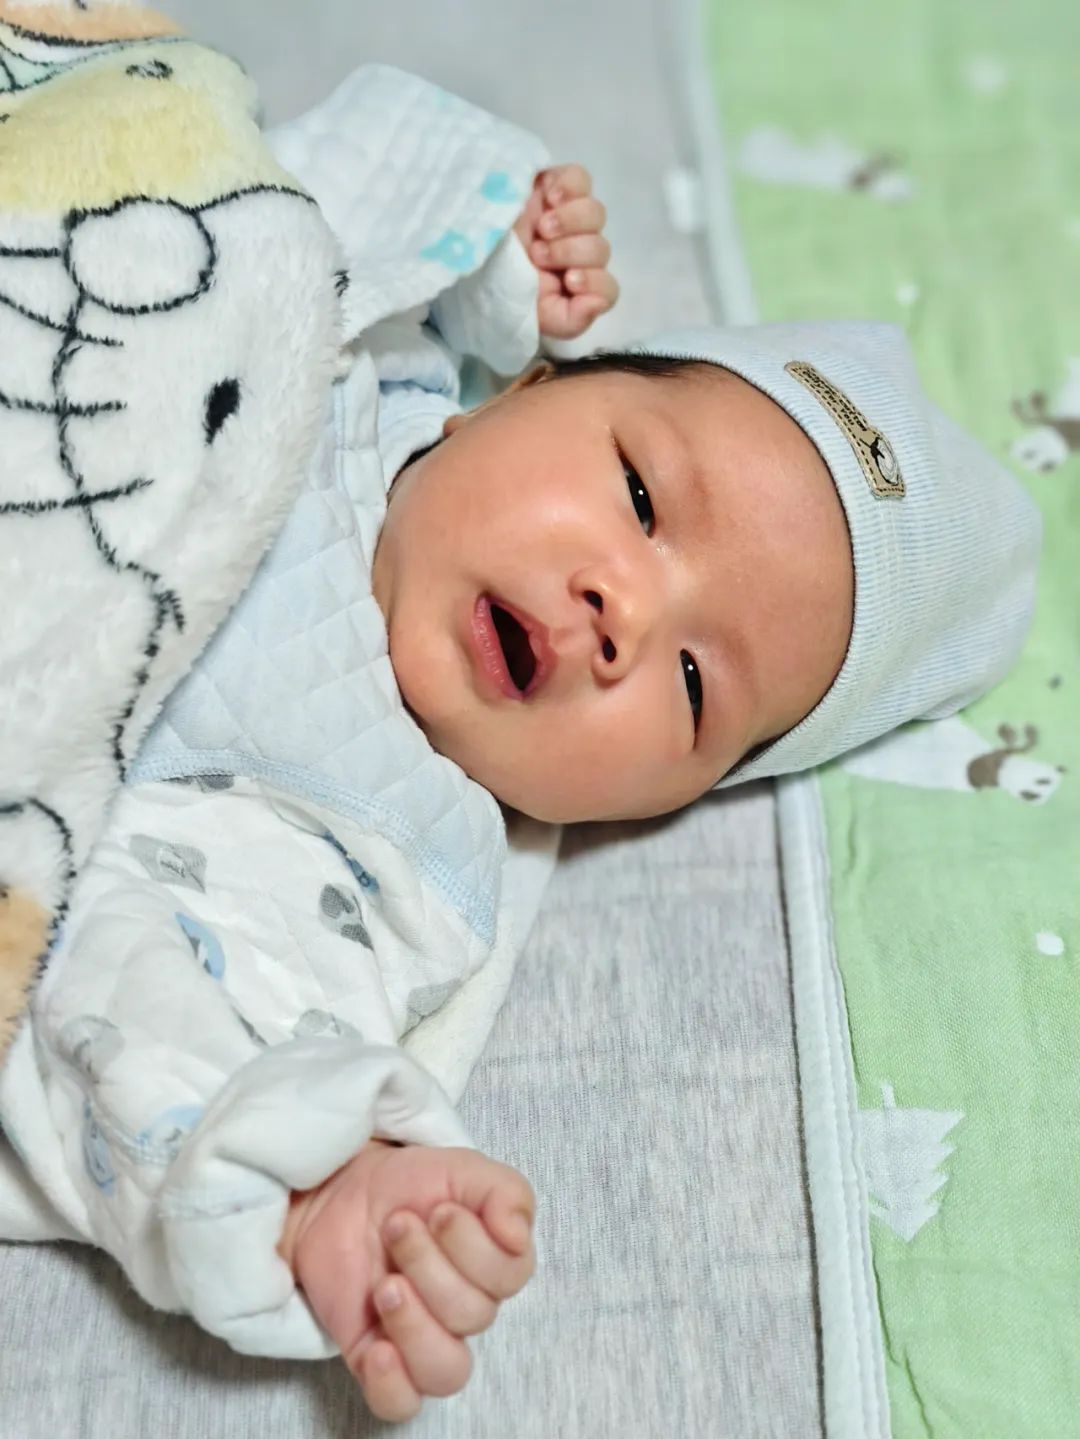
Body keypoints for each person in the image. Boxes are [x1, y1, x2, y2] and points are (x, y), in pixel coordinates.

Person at [0, 75, 1040, 1426]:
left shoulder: (378, 844)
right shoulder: (346, 349)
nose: (625, 613)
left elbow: (144, 1004)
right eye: (642, 495)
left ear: (655, 803)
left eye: (692, 684)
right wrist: (489, 249)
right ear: (515, 394)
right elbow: (250, 189)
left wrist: (320, 1178)